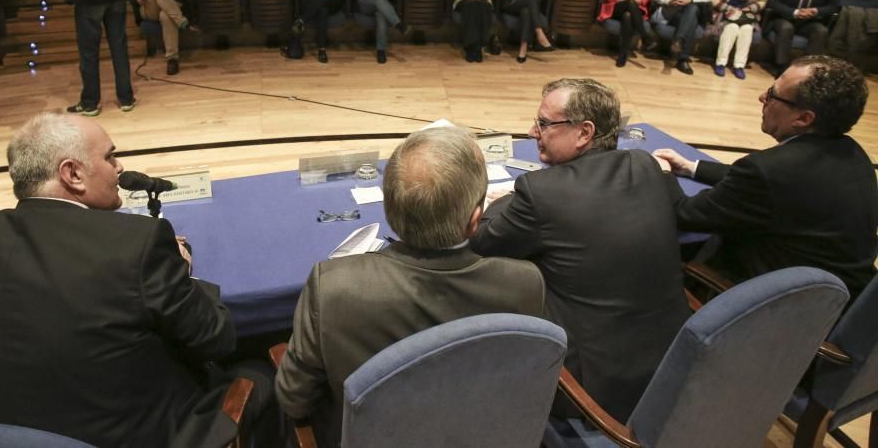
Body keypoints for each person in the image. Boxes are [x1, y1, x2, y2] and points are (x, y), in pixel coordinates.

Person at [0, 113, 278, 447]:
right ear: (73, 174)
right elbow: (216, 337)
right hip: (145, 435)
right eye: (110, 156)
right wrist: (181, 269)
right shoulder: (134, 246)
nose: (120, 168)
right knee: (265, 368)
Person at [276, 126, 546, 446]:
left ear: (389, 211)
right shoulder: (524, 284)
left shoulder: (334, 287)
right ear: (476, 219)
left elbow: (294, 399)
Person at [471, 78, 689, 423]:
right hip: (675, 367)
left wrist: (507, 200)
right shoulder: (644, 164)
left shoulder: (539, 191)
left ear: (585, 132)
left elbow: (482, 241)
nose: (532, 132)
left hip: (593, 390)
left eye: (544, 123)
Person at [654, 56, 877, 302]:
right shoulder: (853, 154)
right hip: (841, 299)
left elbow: (683, 214)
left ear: (803, 118)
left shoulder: (770, 171)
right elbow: (773, 186)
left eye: (773, 93)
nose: (762, 97)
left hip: (781, 308)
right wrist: (691, 167)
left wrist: (660, 171)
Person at [766, 0, 841, 75]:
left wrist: (816, 11)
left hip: (810, 21)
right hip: (786, 18)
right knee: (786, 28)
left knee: (821, 31)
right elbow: (773, 2)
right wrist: (794, 12)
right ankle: (782, 67)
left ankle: (807, 70)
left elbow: (834, 7)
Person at [709, 0, 767, 79]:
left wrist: (750, 8)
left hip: (747, 17)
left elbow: (763, 0)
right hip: (726, 15)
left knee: (746, 30)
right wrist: (728, 8)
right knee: (732, 28)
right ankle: (721, 63)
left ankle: (739, 65)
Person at [651, 0, 711, 75]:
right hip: (670, 12)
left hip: (687, 15)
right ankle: (683, 58)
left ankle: (678, 42)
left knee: (692, 9)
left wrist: (690, 0)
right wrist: (669, 0)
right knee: (692, 14)